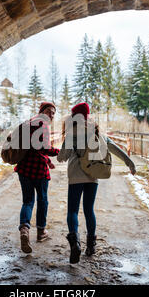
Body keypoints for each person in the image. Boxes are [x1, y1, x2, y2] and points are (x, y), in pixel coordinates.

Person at [57, 102, 136, 264]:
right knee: (89, 210)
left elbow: (62, 157)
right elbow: (114, 148)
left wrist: (62, 152)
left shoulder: (73, 133)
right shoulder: (97, 132)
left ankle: (75, 244)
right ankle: (91, 246)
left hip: (75, 176)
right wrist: (130, 163)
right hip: (93, 176)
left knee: (72, 211)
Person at [15, 102, 59, 253]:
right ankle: (41, 232)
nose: (51, 115)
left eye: (53, 113)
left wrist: (47, 160)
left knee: (27, 201)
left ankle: (24, 229)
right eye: (49, 111)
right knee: (42, 200)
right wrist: (59, 151)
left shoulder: (29, 122)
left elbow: (34, 148)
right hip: (38, 171)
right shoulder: (43, 124)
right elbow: (45, 148)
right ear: (42, 111)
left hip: (24, 168)